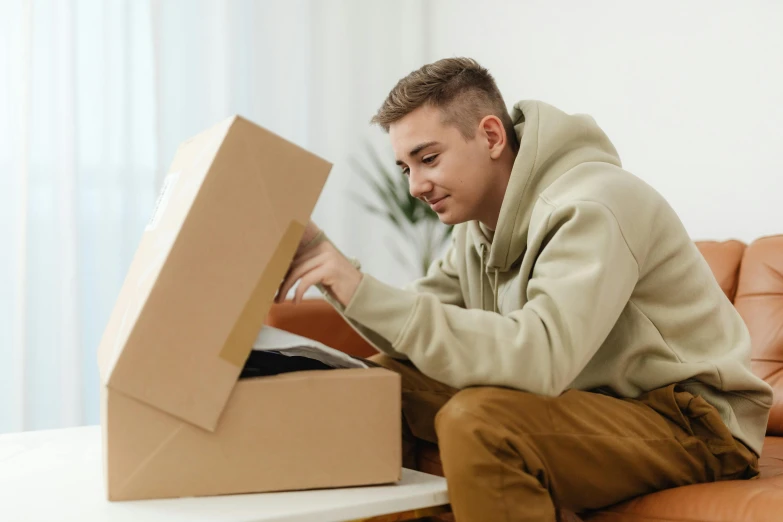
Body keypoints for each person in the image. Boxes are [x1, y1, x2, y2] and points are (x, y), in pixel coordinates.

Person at [274, 57, 772, 522]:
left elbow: (541, 356)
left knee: (479, 423)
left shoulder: (593, 204)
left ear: (490, 135)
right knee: (380, 386)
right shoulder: (478, 228)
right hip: (593, 404)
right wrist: (329, 266)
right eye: (406, 168)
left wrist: (352, 283)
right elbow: (416, 318)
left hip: (693, 424)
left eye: (428, 158)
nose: (416, 187)